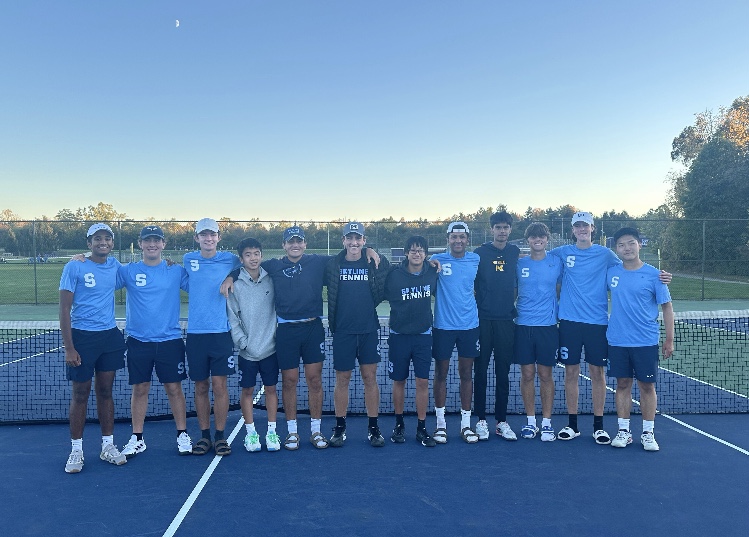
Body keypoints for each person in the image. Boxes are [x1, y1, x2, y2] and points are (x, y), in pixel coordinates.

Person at [238, 225, 378, 451]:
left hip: (313, 329)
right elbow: (246, 265)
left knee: (315, 380)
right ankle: (292, 432)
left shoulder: (319, 262)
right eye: (290, 241)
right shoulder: (272, 266)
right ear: (284, 245)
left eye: (299, 241)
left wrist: (369, 249)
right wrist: (229, 276)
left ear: (305, 244)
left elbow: (349, 252)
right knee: (290, 381)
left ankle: (316, 430)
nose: (295, 245)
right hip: (286, 332)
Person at [550, 212, 671, 444]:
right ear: (573, 230)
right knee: (571, 373)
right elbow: (540, 258)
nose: (582, 229)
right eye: (578, 226)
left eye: (586, 225)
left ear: (593, 228)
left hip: (597, 324)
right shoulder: (562, 252)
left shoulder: (607, 255)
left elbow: (630, 268)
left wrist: (661, 276)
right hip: (569, 323)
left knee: (598, 374)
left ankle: (599, 426)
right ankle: (572, 424)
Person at [118, 225, 193, 457]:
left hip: (170, 340)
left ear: (163, 244)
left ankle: (182, 434)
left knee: (174, 389)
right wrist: (83, 259)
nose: (152, 244)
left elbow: (201, 285)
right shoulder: (128, 271)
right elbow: (100, 275)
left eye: (156, 240)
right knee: (140, 389)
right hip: (138, 341)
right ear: (140, 244)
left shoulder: (175, 271)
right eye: (147, 240)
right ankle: (137, 438)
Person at [59, 223, 127, 473]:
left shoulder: (115, 266)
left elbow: (143, 271)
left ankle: (107, 446)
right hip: (82, 338)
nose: (103, 242)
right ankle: (76, 450)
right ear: (89, 243)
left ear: (111, 243)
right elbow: (64, 309)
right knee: (80, 394)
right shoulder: (74, 266)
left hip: (109, 338)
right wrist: (69, 347)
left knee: (106, 391)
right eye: (97, 238)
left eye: (107, 239)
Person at [606, 227, 674, 451]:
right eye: (621, 245)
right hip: (617, 340)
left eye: (631, 243)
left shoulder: (656, 275)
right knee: (622, 384)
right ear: (616, 249)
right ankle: (623, 431)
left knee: (647, 386)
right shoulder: (612, 272)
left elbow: (667, 307)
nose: (626, 248)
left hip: (645, 341)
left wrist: (669, 339)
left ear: (639, 245)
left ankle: (648, 433)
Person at [325, 222, 391, 447]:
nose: (354, 242)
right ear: (343, 241)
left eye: (358, 239)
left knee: (369, 379)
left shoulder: (372, 260)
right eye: (349, 238)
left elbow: (391, 267)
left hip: (368, 331)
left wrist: (373, 251)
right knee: (342, 380)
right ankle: (340, 428)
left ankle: (373, 428)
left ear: (363, 240)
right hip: (343, 331)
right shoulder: (333, 264)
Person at [184, 218, 241, 456]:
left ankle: (220, 436)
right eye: (203, 235)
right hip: (196, 335)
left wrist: (231, 278)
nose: (208, 239)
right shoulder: (188, 260)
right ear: (197, 238)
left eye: (213, 235)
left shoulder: (230, 259)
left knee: (219, 386)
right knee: (200, 386)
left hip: (221, 334)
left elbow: (247, 265)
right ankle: (204, 435)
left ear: (218, 237)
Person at [226, 238, 281, 452]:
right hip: (247, 352)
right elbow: (232, 317)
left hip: (270, 349)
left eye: (256, 253)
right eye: (248, 255)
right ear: (241, 259)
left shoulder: (272, 279)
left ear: (261, 255)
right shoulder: (236, 284)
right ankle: (250, 433)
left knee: (271, 390)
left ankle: (272, 431)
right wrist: (243, 342)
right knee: (247, 391)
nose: (253, 258)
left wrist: (274, 337)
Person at [384, 235, 438, 447]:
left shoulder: (433, 271)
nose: (417, 253)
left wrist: (436, 263)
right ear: (406, 253)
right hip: (399, 336)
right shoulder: (394, 275)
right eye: (413, 250)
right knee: (399, 381)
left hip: (423, 336)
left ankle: (422, 427)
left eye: (421, 250)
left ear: (426, 254)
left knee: (422, 381)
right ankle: (399, 424)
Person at [430, 221, 481, 444]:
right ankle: (441, 425)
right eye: (454, 237)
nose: (458, 240)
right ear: (448, 239)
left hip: (470, 326)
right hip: (443, 326)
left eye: (462, 237)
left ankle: (465, 426)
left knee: (466, 375)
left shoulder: (476, 260)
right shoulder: (437, 261)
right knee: (440, 374)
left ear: (467, 239)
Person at [473, 211, 520, 441]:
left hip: (506, 322)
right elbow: (470, 284)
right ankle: (480, 420)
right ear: (491, 229)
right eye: (498, 227)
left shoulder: (514, 252)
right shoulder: (479, 253)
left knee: (503, 374)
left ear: (510, 230)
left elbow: (516, 284)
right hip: (482, 322)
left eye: (505, 227)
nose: (502, 231)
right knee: (480, 373)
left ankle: (501, 421)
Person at [515, 223, 563, 442]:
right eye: (533, 236)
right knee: (526, 375)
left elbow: (560, 290)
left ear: (547, 239)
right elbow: (513, 293)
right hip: (523, 327)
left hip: (548, 328)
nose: (538, 240)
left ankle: (546, 423)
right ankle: (530, 422)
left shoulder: (556, 262)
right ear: (528, 240)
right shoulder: (519, 264)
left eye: (541, 236)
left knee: (545, 375)